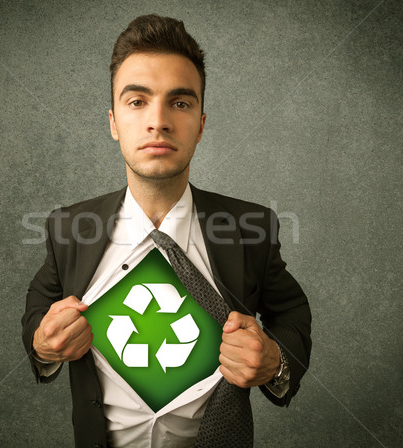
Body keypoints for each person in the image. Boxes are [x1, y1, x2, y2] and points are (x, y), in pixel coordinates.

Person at [22, 14, 311, 448]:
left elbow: (290, 313)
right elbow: (38, 309)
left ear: (200, 124)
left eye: (179, 103)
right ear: (114, 122)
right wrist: (43, 345)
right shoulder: (68, 229)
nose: (158, 121)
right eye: (137, 102)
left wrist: (274, 362)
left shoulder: (252, 229)